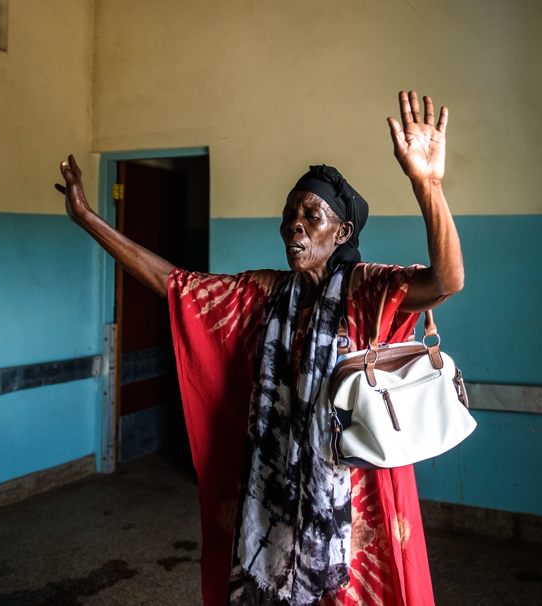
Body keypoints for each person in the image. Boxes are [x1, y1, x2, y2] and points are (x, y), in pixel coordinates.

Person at [56, 92, 465, 606]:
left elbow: (447, 280)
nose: (294, 223)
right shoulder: (265, 294)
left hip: (355, 508)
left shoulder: (368, 288)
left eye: (311, 216)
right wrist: (89, 220)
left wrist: (427, 185)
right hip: (275, 504)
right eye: (290, 213)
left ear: (341, 233)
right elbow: (176, 285)